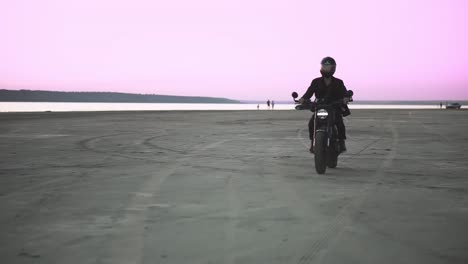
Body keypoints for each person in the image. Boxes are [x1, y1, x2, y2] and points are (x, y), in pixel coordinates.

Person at [299, 57, 349, 153]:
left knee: (339, 123)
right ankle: (313, 143)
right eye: (324, 66)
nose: (326, 69)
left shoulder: (338, 82)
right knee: (311, 123)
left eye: (328, 67)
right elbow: (309, 92)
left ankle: (342, 142)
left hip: (334, 107)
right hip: (320, 107)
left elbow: (344, 93)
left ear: (333, 68)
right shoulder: (316, 81)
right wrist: (303, 99)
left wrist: (346, 98)